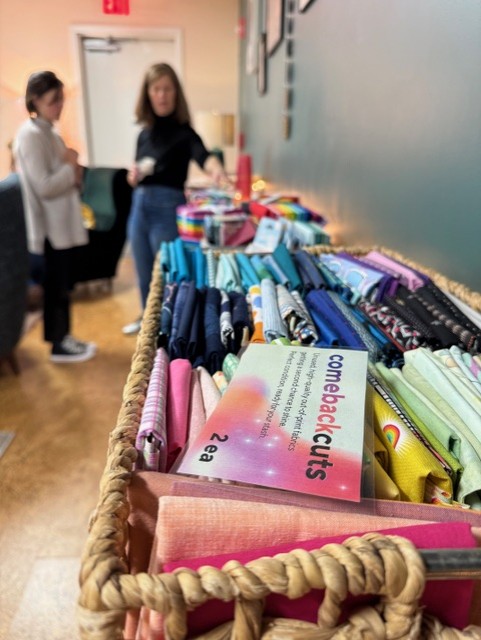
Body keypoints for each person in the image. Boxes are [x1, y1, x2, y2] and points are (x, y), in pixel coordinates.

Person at [122, 62, 227, 335]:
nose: (162, 95)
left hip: (167, 209)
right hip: (139, 207)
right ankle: (148, 323)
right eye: (156, 89)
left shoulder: (185, 133)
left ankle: (168, 328)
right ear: (148, 94)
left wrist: (218, 171)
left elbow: (205, 155)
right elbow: (137, 172)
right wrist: (132, 176)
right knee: (144, 274)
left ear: (175, 93)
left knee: (169, 275)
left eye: (167, 89)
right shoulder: (143, 135)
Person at [14, 70, 96, 363]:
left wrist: (73, 169)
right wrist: (70, 165)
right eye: (53, 100)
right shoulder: (30, 135)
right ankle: (59, 344)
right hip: (49, 227)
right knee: (56, 287)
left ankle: (64, 336)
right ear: (35, 99)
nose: (59, 105)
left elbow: (66, 177)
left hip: (62, 222)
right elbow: (44, 186)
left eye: (61, 99)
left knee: (63, 286)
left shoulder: (49, 131)